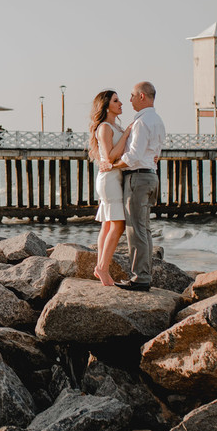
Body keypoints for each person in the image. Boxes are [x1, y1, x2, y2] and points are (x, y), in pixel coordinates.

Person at [117, 81, 165, 290]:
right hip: (151, 177)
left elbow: (134, 155)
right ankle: (144, 276)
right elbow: (157, 153)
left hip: (138, 178)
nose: (129, 100)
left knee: (135, 230)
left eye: (132, 95)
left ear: (142, 96)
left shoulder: (141, 122)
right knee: (144, 229)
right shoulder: (158, 120)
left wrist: (112, 165)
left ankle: (140, 278)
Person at [89, 90, 130, 286]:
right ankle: (103, 268)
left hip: (114, 177)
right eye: (116, 100)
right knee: (118, 225)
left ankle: (100, 267)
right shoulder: (105, 127)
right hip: (110, 180)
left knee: (107, 224)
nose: (121, 103)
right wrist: (128, 133)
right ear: (106, 106)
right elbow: (111, 156)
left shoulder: (115, 126)